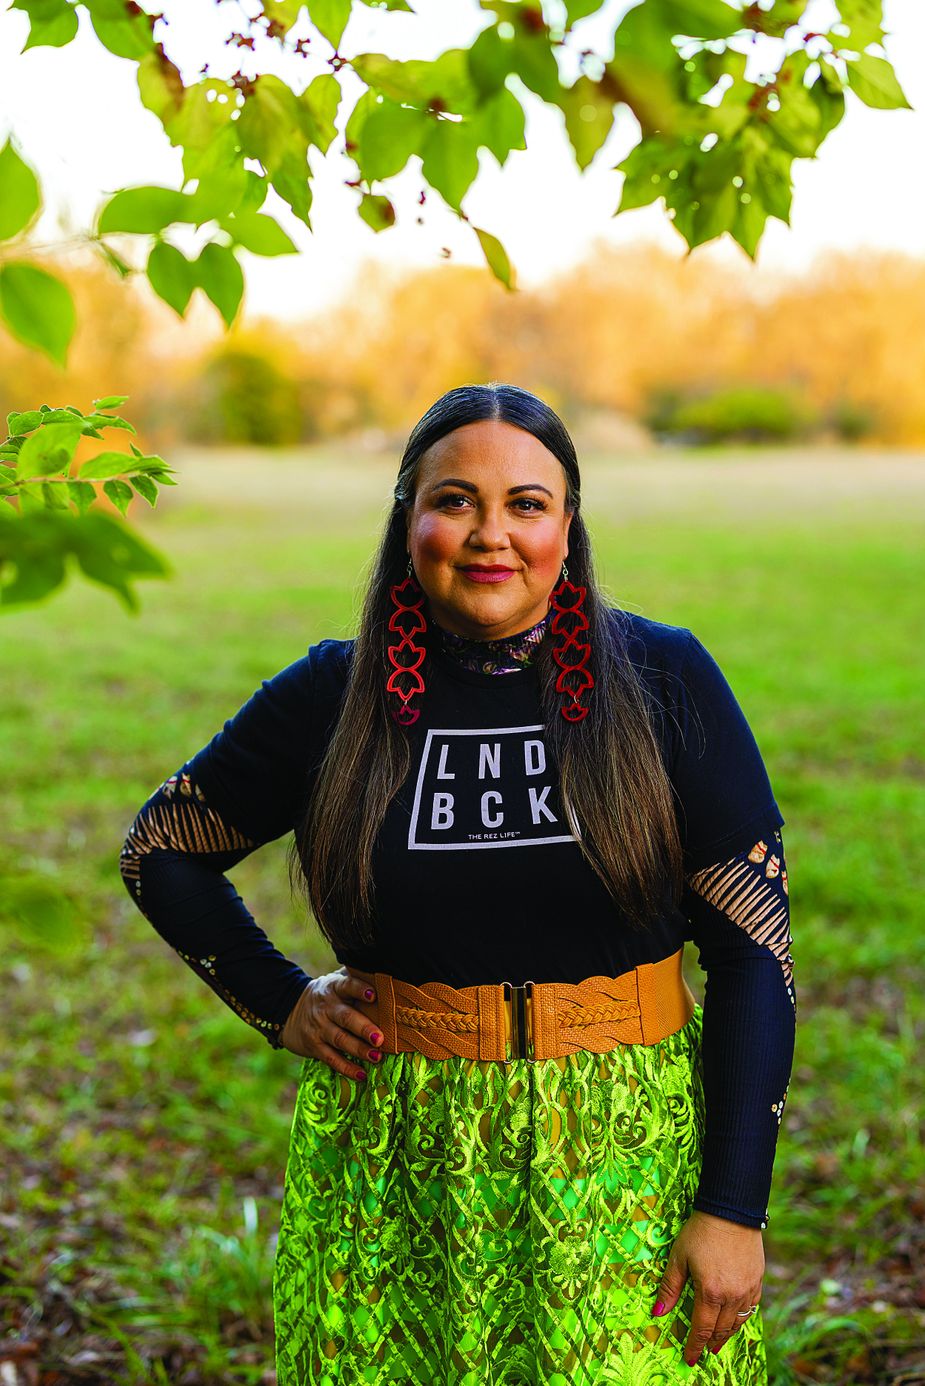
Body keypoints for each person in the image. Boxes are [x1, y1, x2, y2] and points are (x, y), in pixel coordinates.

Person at [119, 382, 795, 1385]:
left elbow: (754, 952)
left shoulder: (660, 678)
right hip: (393, 1153)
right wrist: (278, 1002)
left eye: (527, 503)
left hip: (623, 1151)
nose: (491, 535)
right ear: (408, 521)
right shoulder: (332, 696)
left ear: (568, 527)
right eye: (454, 501)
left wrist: (732, 1204)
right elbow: (161, 850)